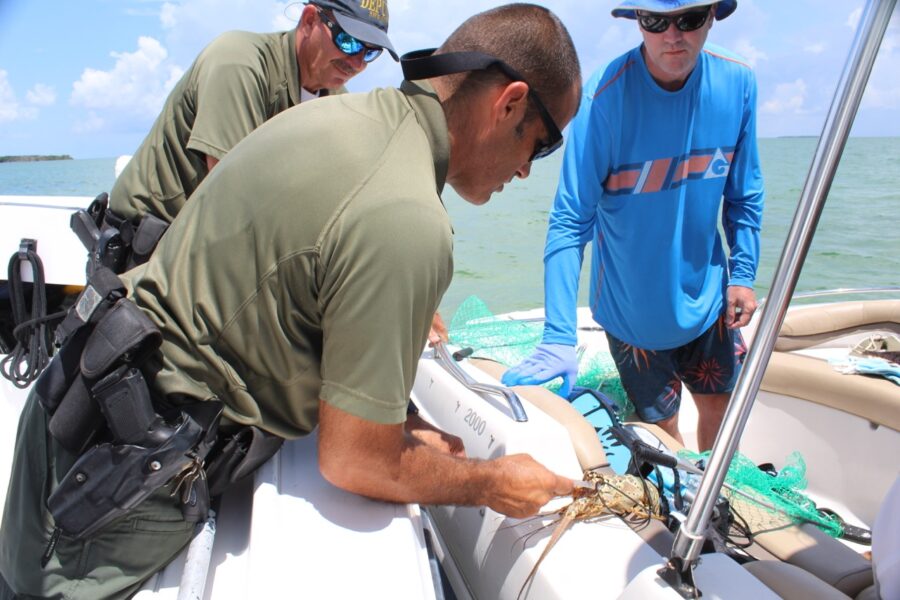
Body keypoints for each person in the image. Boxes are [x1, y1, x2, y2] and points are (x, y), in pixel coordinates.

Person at [0, 4, 582, 598]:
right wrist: (490, 482)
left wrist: (402, 420)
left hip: (77, 398)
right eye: (540, 147)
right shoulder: (407, 217)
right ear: (508, 103)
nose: (527, 174)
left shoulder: (342, 119)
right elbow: (356, 461)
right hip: (103, 492)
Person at [502, 0, 765, 452]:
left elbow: (744, 193)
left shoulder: (738, 83)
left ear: (713, 16)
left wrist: (742, 273)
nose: (672, 35)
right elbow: (570, 220)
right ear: (637, 21)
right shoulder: (602, 100)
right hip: (631, 316)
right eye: (656, 21)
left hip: (707, 304)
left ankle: (717, 506)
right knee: (663, 437)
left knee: (722, 418)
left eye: (689, 19)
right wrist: (559, 336)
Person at [107, 0, 398, 229]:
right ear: (309, 20)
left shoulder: (335, 105)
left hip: (212, 243)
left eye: (370, 53)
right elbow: (233, 202)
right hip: (148, 246)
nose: (357, 63)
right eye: (348, 42)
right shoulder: (238, 62)